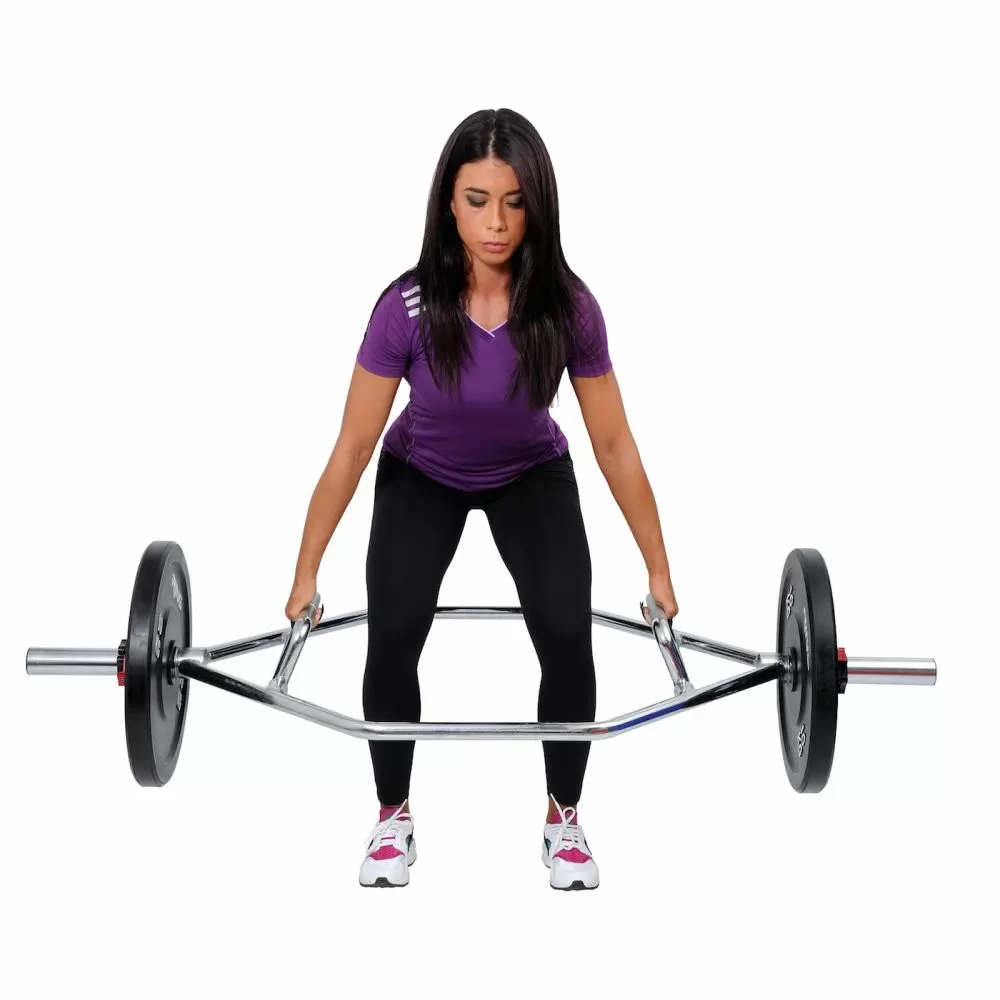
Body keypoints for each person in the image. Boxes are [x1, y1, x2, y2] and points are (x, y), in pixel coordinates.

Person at [284, 108, 678, 891]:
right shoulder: (405, 309)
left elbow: (613, 445)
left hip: (530, 471)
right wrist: (305, 574)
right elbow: (354, 446)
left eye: (514, 201)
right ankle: (392, 814)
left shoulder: (568, 308)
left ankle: (564, 817)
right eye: (476, 200)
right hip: (422, 471)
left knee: (565, 630)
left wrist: (659, 571)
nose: (496, 222)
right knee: (394, 631)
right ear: (448, 204)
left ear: (538, 205)